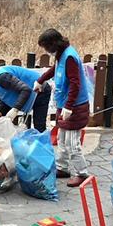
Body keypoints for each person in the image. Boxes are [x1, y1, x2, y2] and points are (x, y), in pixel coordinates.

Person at [33, 29, 91, 187]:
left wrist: (69, 106)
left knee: (72, 142)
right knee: (62, 139)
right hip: (64, 104)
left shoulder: (69, 56)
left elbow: (75, 83)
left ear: (53, 44)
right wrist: (40, 80)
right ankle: (62, 168)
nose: (46, 51)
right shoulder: (61, 54)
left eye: (46, 47)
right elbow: (56, 69)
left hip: (74, 106)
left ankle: (81, 173)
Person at [0, 66, 52, 132]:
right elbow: (4, 97)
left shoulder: (2, 77)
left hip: (40, 89)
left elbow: (25, 90)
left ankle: (42, 145)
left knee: (39, 126)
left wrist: (15, 109)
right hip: (31, 93)